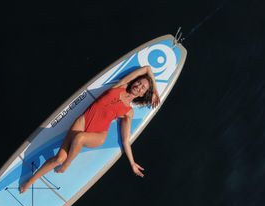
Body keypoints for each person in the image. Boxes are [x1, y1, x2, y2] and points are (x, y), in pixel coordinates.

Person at [19, 65, 160, 194]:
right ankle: (31, 180)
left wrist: (132, 163)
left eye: (143, 88)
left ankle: (67, 164)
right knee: (58, 159)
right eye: (139, 83)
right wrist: (155, 91)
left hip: (98, 134)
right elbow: (147, 68)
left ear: (142, 95)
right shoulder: (121, 85)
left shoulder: (129, 112)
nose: (139, 86)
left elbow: (125, 140)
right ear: (134, 81)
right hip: (83, 121)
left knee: (79, 139)